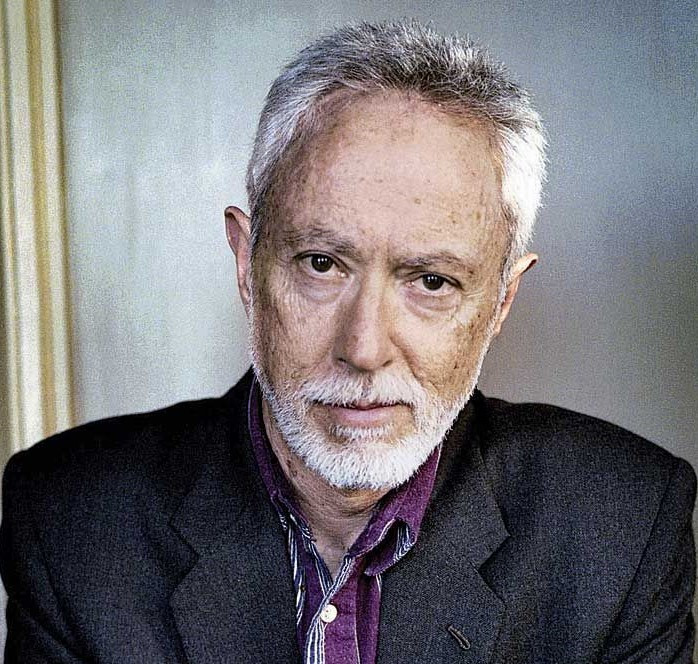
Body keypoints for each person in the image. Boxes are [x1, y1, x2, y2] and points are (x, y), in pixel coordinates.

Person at [1, 19, 694, 664]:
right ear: (247, 263)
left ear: (501, 302)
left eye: (431, 281)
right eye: (321, 264)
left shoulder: (623, 528)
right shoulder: (72, 523)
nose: (364, 348)